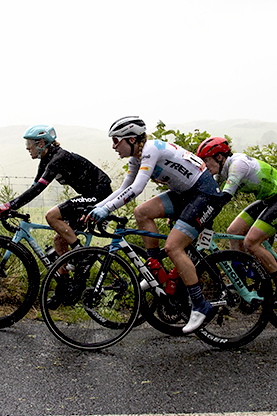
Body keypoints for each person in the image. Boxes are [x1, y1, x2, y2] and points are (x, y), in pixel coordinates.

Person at [87, 116, 228, 335]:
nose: (114, 146)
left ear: (132, 139)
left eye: (116, 141)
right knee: (142, 212)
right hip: (186, 194)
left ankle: (200, 305)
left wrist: (106, 210)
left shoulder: (151, 150)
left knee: (173, 247)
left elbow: (137, 189)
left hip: (204, 194)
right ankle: (154, 269)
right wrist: (97, 207)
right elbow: (124, 188)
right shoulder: (136, 156)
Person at [195, 136, 277, 299]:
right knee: (233, 231)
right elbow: (210, 196)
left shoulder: (238, 165)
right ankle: (242, 283)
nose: (204, 165)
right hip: (269, 199)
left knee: (251, 242)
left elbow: (223, 198)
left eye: (206, 160)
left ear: (219, 157)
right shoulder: (222, 169)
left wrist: (202, 218)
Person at [0, 125, 112, 258]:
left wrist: (8, 206)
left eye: (29, 143)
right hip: (90, 194)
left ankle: (82, 256)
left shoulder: (58, 159)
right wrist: (10, 206)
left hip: (100, 194)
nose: (27, 147)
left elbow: (37, 190)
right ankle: (66, 277)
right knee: (59, 241)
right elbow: (33, 188)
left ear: (41, 143)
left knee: (52, 216)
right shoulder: (46, 160)